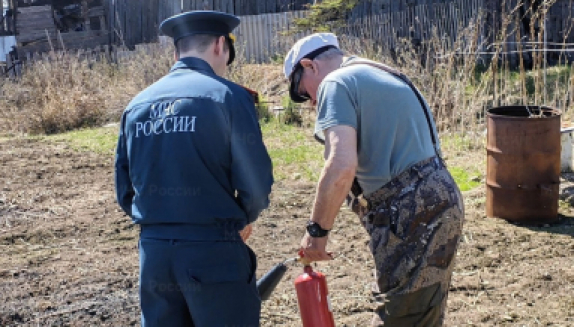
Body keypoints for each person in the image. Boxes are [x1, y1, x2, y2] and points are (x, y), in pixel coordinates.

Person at [284, 33, 464, 326]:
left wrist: (316, 232)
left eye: (304, 92)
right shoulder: (381, 73)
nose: (310, 102)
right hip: (441, 199)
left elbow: (340, 166)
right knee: (421, 314)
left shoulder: (335, 82)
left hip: (410, 213)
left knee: (401, 317)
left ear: (310, 66)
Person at [114, 10, 273, 327]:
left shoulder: (137, 105)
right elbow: (255, 184)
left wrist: (163, 223)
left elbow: (124, 189)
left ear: (176, 52)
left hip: (155, 257)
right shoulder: (227, 96)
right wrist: (242, 218)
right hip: (214, 254)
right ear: (219, 45)